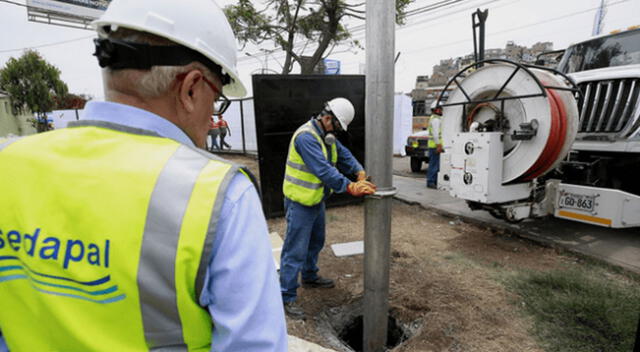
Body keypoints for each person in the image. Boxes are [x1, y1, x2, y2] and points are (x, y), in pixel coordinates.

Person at [0, 0, 287, 351]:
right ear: (192, 88)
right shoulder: (218, 195)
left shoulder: (9, 163)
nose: (212, 116)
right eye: (216, 100)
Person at [280, 97, 377, 319]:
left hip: (315, 199)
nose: (338, 131)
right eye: (337, 125)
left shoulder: (326, 135)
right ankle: (286, 296)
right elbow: (323, 171)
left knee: (316, 241)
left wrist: (358, 170)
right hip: (300, 202)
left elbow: (342, 154)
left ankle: (310, 276)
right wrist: (350, 186)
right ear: (326, 117)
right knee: (295, 250)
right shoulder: (306, 138)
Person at [427, 103, 443, 189]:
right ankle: (431, 182)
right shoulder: (436, 120)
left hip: (434, 145)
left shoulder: (434, 119)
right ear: (436, 110)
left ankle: (433, 181)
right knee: (434, 165)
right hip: (435, 146)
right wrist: (439, 146)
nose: (441, 111)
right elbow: (436, 135)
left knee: (435, 164)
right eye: (440, 109)